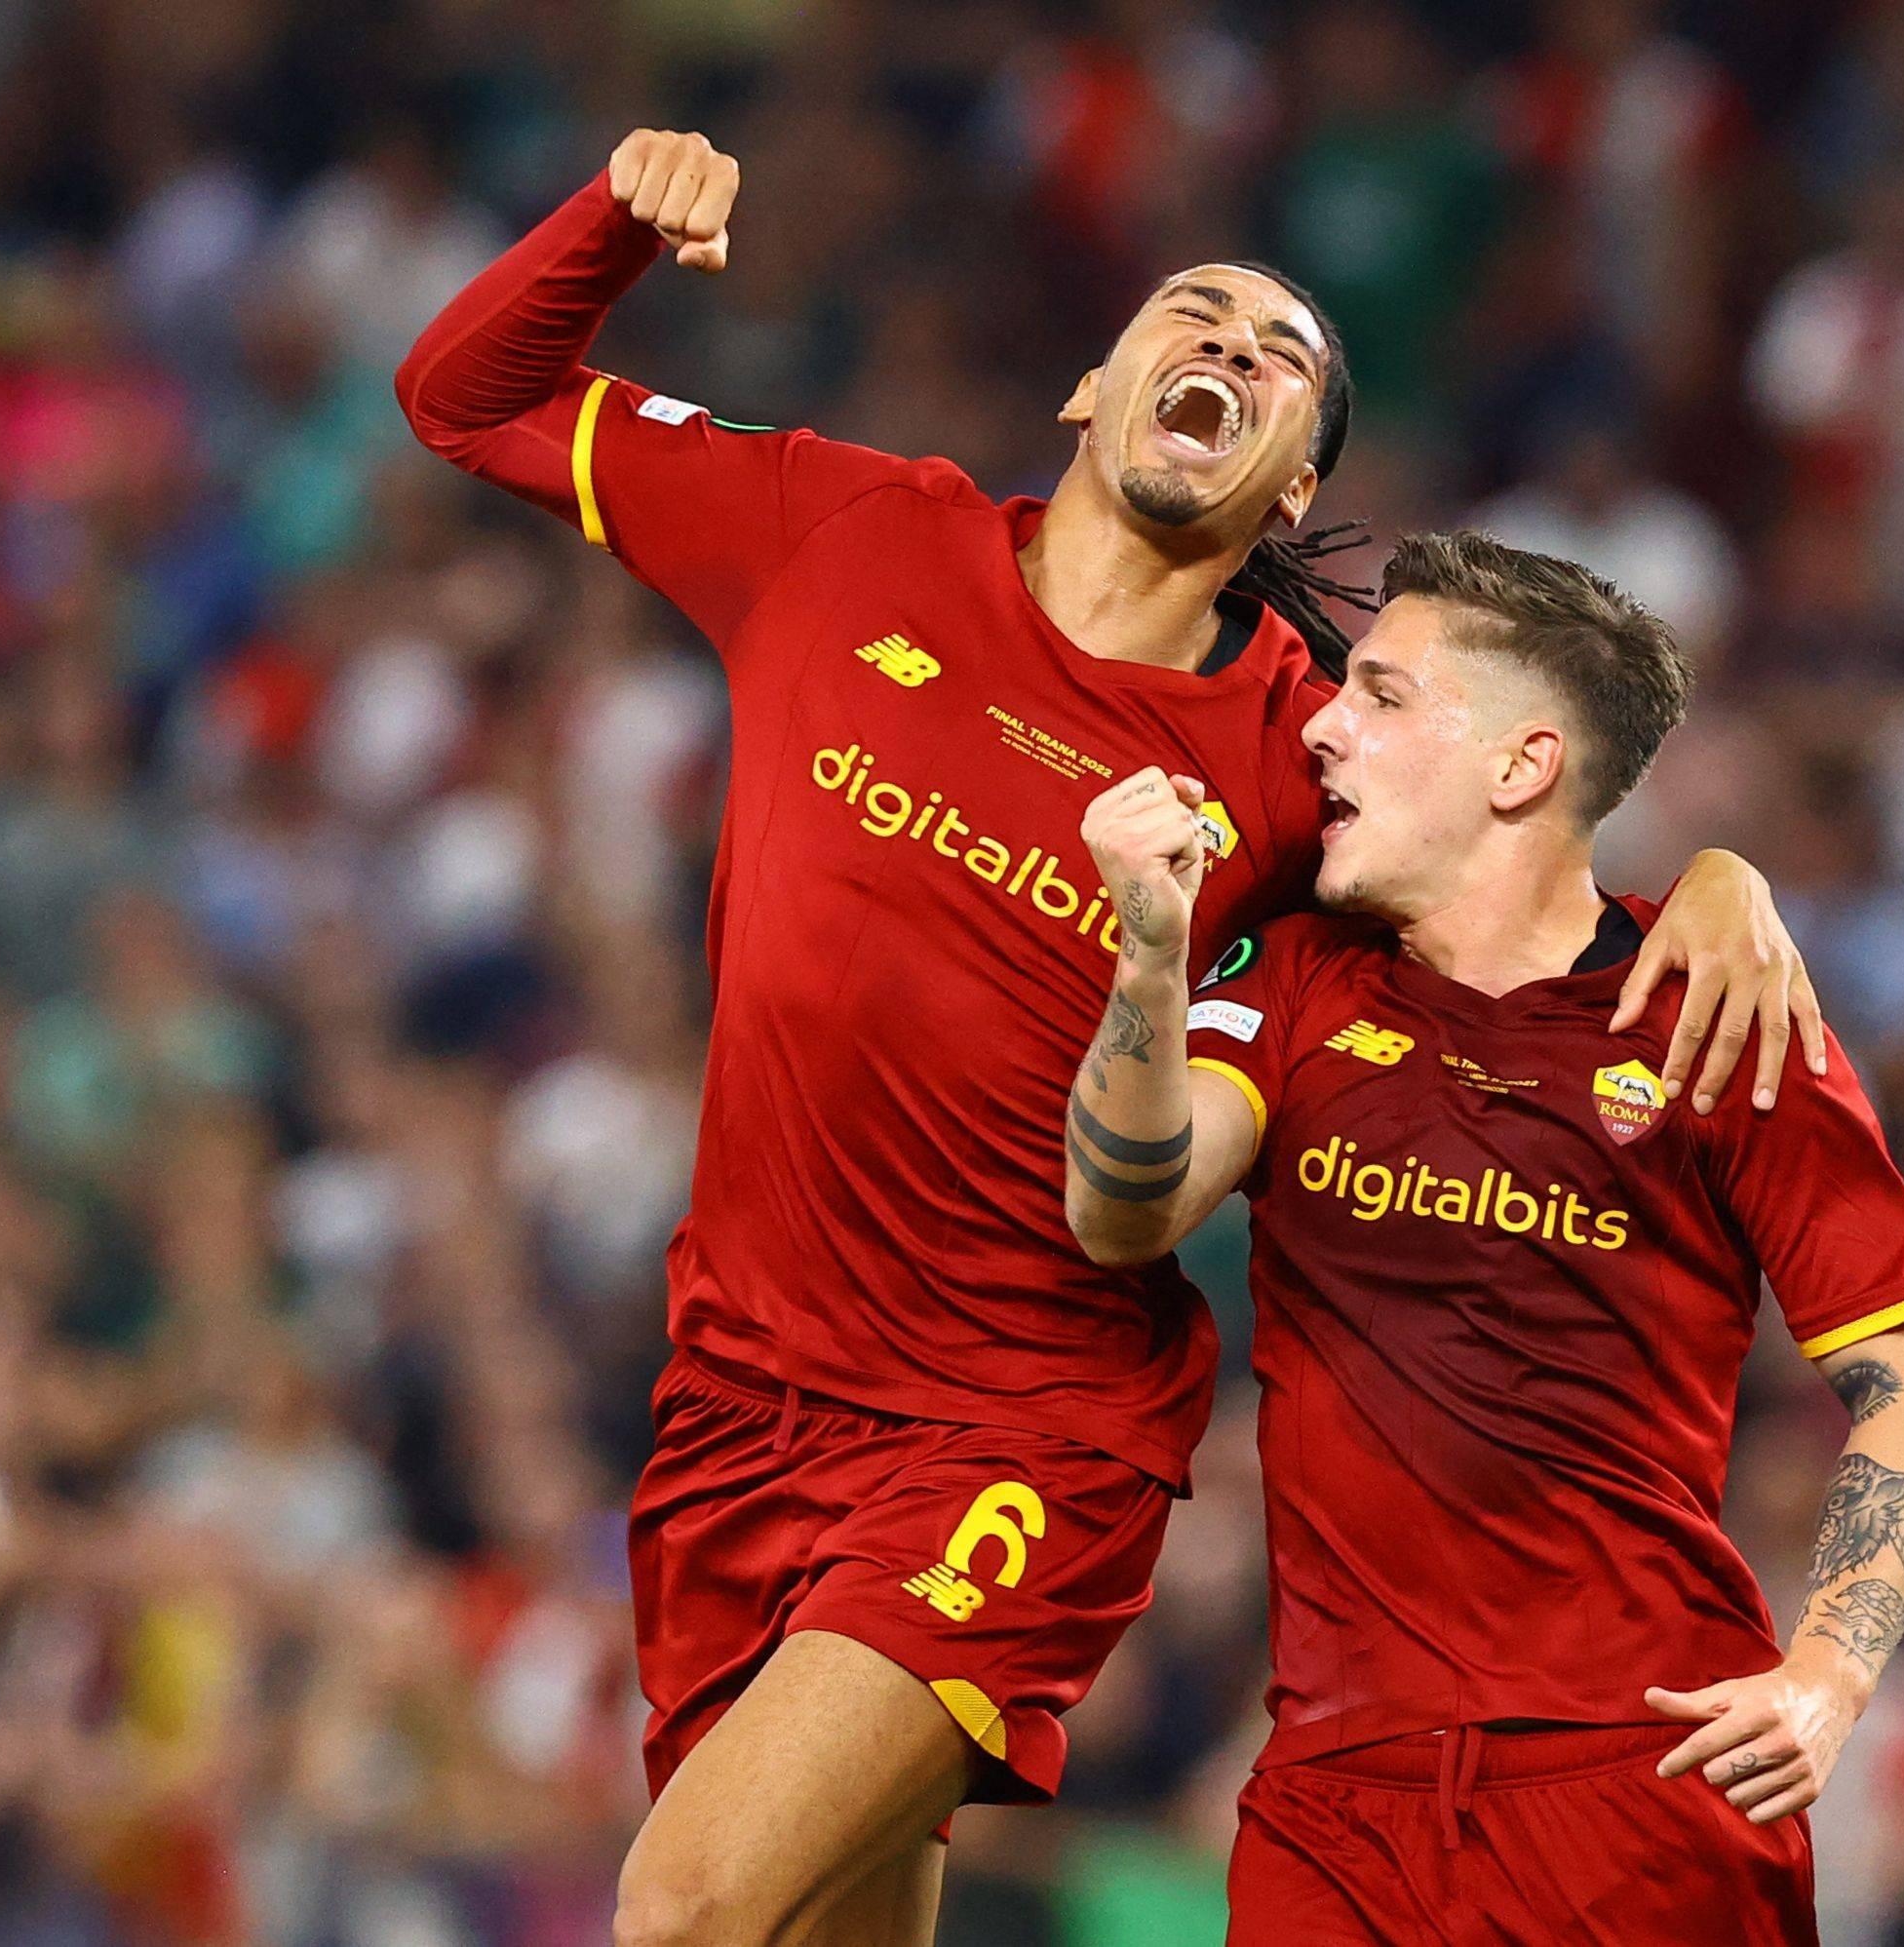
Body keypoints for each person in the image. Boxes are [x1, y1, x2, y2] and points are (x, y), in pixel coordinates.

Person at [395, 130, 1823, 1947]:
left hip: (1021, 1421)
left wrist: (1716, 880)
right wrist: (610, 220)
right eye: (1193, 313)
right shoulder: (845, 533)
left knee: (685, 1906)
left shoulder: (1303, 753)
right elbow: (463, 398)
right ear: (1092, 386)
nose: (1229, 344)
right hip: (737, 1394)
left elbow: (1524, 884)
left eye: (1282, 353)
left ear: (1295, 486)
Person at [1065, 530, 1904, 1943]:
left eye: (1382, 693)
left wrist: (1829, 1671)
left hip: (1639, 1784)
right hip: (1335, 1803)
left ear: (1521, 765)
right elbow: (1126, 1208)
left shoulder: (1712, 1013)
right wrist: (1148, 959)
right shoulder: (1298, 976)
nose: (1324, 726)